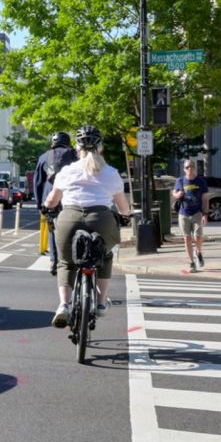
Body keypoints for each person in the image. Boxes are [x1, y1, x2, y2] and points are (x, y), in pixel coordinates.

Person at [43, 125, 132, 328]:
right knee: (106, 255)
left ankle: (64, 305)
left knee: (66, 262)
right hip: (101, 219)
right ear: (100, 148)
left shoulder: (67, 171)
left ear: (77, 148)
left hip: (70, 217)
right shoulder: (111, 173)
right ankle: (101, 303)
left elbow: (52, 201)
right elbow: (123, 207)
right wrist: (126, 216)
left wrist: (47, 209)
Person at [34, 132, 78, 275]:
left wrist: (40, 204)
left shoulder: (43, 157)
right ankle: (73, 259)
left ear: (52, 143)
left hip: (50, 199)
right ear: (68, 142)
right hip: (71, 198)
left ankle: (54, 260)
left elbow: (38, 183)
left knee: (53, 229)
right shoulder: (75, 155)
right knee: (75, 227)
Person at [172, 159, 208, 272]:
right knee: (187, 238)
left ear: (195, 168)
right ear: (184, 169)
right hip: (183, 213)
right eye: (187, 167)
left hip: (197, 212)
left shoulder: (200, 181)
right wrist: (177, 194)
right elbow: (174, 192)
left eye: (192, 167)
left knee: (198, 237)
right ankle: (191, 262)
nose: (190, 169)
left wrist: (205, 214)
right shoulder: (180, 180)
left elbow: (205, 198)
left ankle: (198, 252)